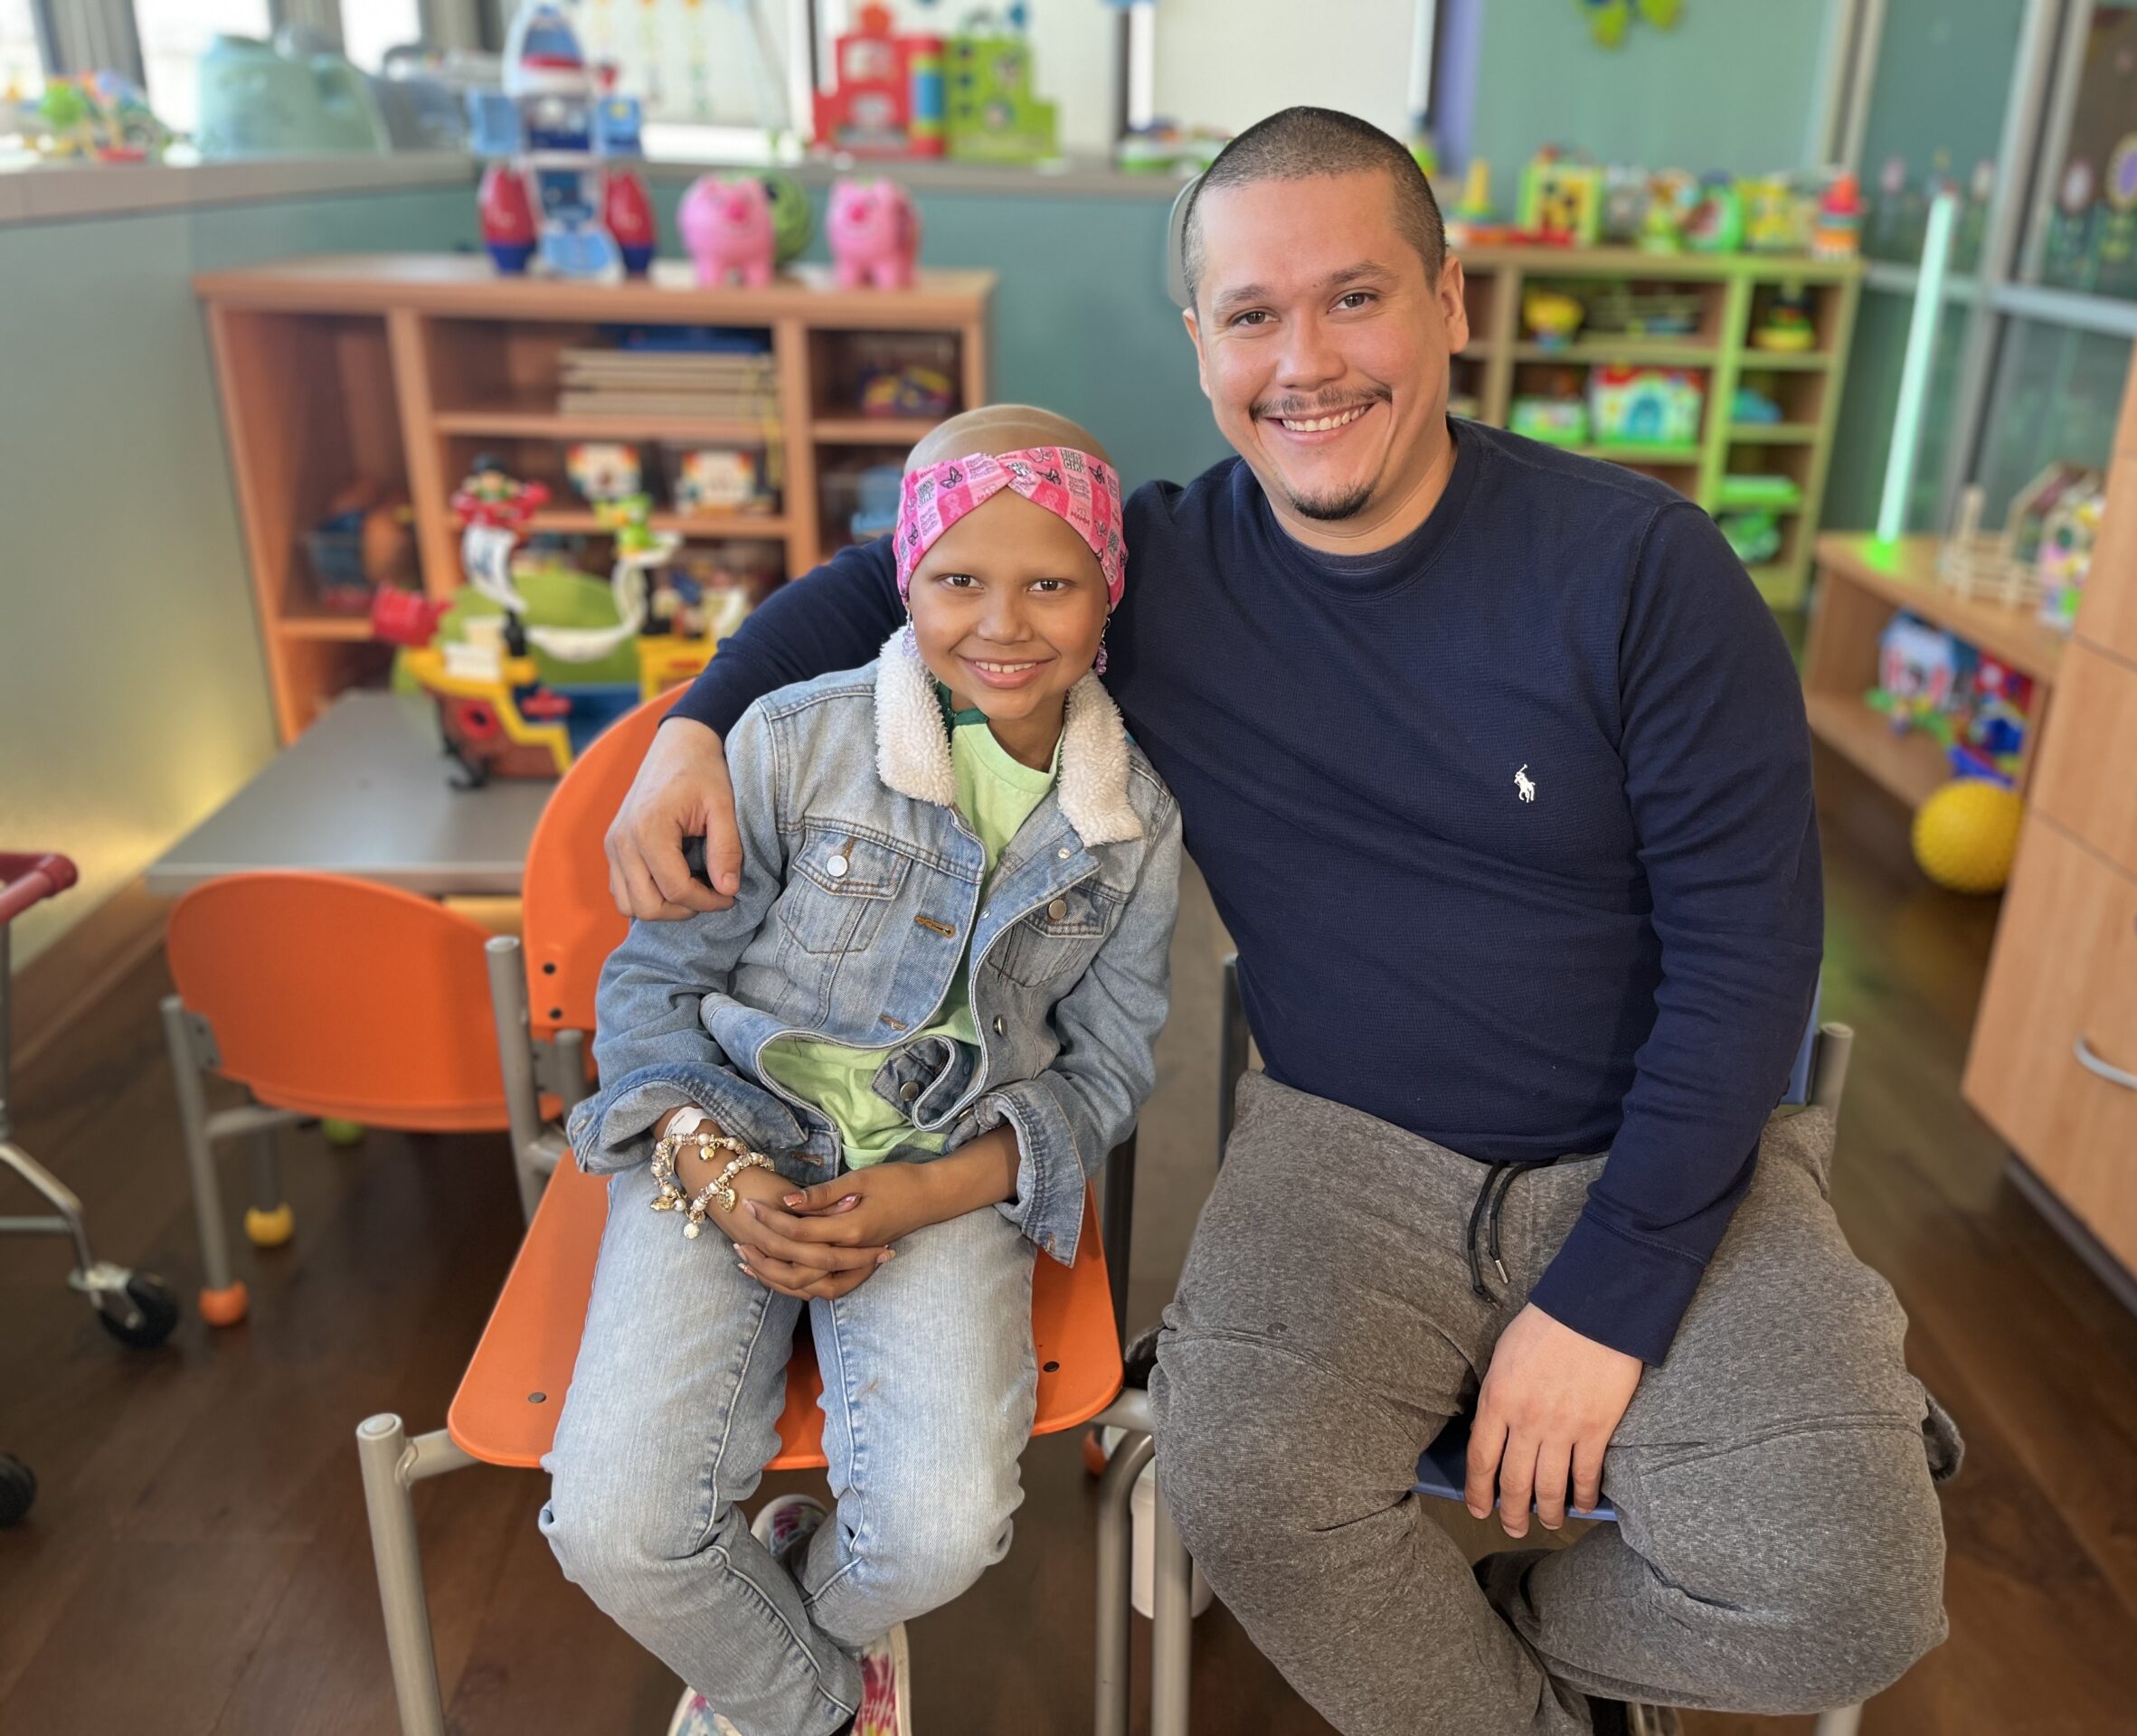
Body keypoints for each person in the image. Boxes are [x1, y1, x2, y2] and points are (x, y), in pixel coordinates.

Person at [604, 108, 1956, 1735]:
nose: (1305, 363)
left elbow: (1751, 962)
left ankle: (1510, 1642)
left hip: (1664, 1152)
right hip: (1345, 1159)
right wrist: (696, 723)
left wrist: (1610, 1298)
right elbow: (886, 581)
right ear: (1201, 345)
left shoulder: (1644, 572)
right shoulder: (1149, 576)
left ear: (1449, 302)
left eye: (1355, 298)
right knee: (1242, 1490)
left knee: (1852, 1594)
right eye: (1253, 314)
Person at [544, 407, 1182, 1736]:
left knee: (941, 1536)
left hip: (944, 1176)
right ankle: (824, 1706)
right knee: (612, 1527)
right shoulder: (787, 741)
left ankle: (782, 1642)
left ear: (1107, 592)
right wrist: (712, 1171)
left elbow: (1112, 1065)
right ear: (905, 580)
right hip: (721, 1140)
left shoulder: (1134, 822)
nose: (1001, 624)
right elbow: (653, 991)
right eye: (959, 580)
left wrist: (938, 1190)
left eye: (1050, 585)